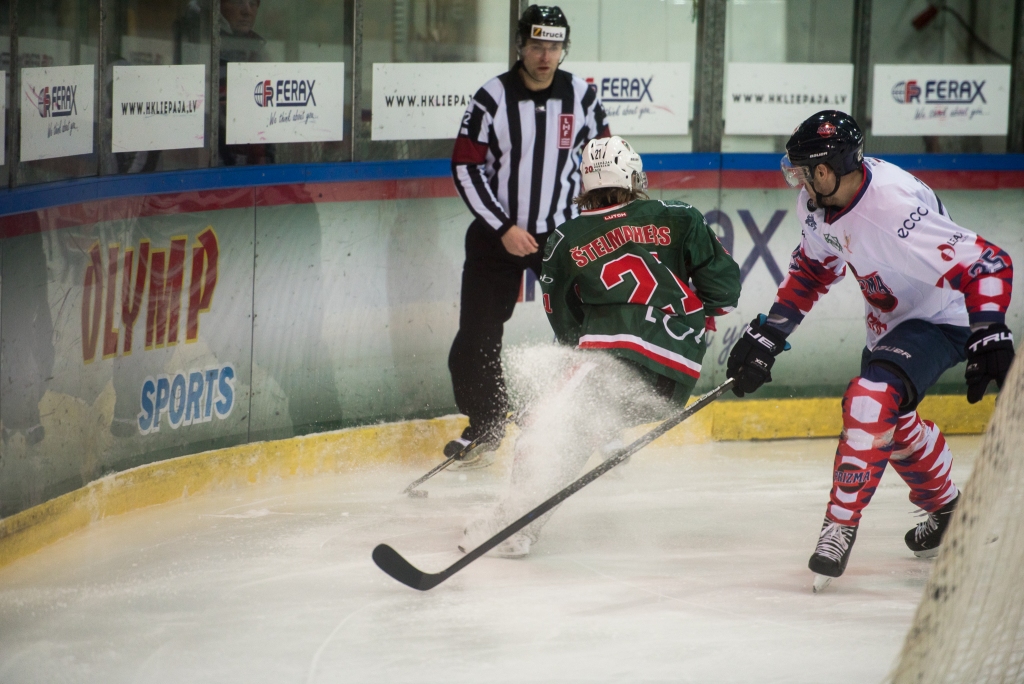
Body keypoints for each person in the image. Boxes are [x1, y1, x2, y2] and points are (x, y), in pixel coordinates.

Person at [726, 110, 1015, 589]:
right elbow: (814, 271)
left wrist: (988, 329)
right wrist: (768, 335)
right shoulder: (819, 203)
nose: (794, 178)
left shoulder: (892, 207)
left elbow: (988, 263)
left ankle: (838, 527)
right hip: (888, 326)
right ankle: (948, 510)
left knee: (868, 400)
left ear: (825, 170)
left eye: (801, 169)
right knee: (889, 423)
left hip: (940, 319)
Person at [459, 135, 741, 557]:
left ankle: (513, 523)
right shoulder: (681, 216)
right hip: (674, 379)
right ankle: (528, 519)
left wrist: (569, 375)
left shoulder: (566, 238)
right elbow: (725, 289)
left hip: (614, 360)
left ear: (585, 186)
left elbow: (567, 328)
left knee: (544, 430)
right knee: (571, 431)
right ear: (633, 178)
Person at [446, 5, 610, 470]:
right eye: (537, 45)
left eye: (554, 45)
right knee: (477, 334)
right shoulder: (491, 97)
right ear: (520, 45)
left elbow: (602, 157)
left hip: (560, 235)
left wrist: (595, 210)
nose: (545, 55)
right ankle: (487, 421)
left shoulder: (582, 96)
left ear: (564, 48)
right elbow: (465, 164)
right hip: (496, 237)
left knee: (588, 331)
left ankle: (591, 423)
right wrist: (503, 227)